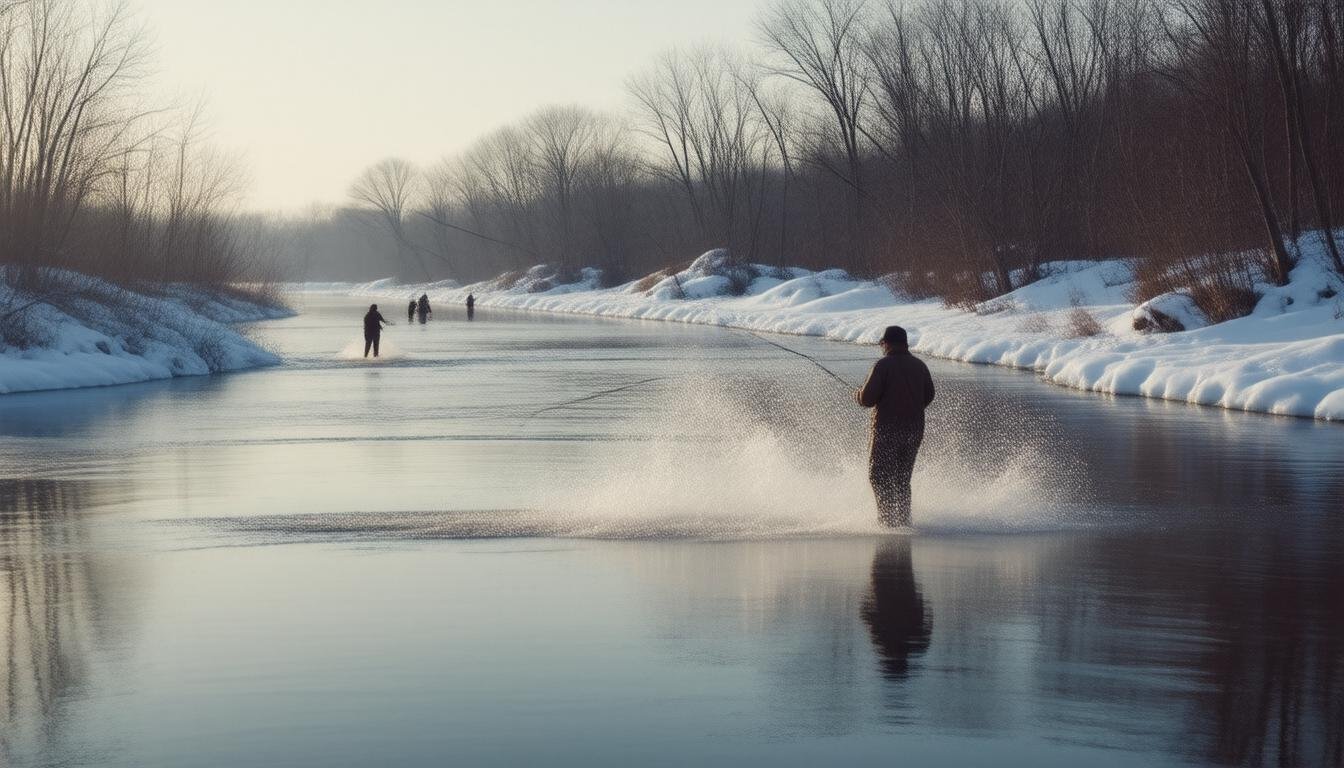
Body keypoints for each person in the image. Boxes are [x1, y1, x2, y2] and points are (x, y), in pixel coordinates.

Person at [856, 325, 934, 527]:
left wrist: (857, 394)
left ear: (887, 343)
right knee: (902, 478)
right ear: (905, 343)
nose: (882, 347)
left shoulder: (882, 366)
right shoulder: (920, 366)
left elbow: (867, 399)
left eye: (882, 343)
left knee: (879, 476)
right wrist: (912, 409)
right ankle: (904, 520)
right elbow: (929, 395)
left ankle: (887, 521)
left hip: (886, 429)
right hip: (915, 430)